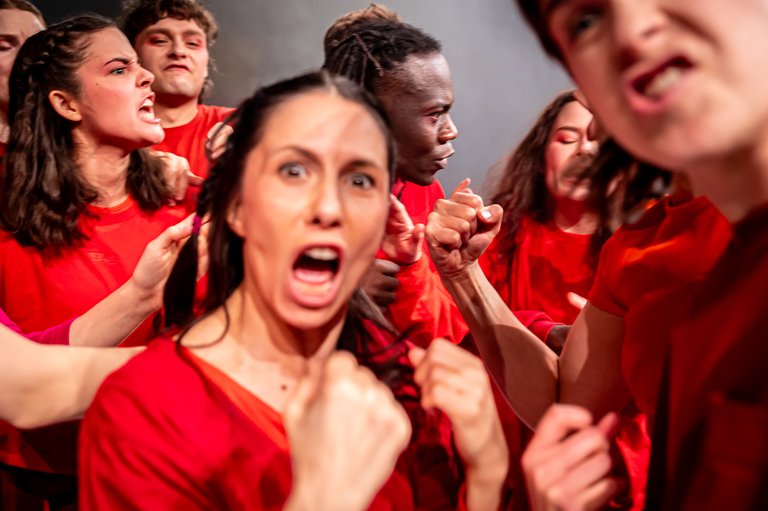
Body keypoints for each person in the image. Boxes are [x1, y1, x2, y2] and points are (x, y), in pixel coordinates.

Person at [79, 70, 509, 511]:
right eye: (294, 171)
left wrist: (485, 479)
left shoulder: (400, 376)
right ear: (237, 208)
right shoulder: (144, 410)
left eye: (359, 180)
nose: (328, 206)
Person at [431, 0, 765, 509]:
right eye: (586, 21)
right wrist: (464, 276)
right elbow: (564, 404)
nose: (632, 32)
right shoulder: (640, 250)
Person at [0, 14, 200, 508]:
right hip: (45, 484)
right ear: (66, 103)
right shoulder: (8, 227)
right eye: (118, 69)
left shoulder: (181, 211)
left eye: (138, 65)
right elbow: (25, 381)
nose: (147, 75)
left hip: (163, 471)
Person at [322, 6, 467, 347]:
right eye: (435, 115)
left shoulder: (426, 193)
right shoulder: (292, 185)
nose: (452, 131)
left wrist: (424, 270)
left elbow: (446, 332)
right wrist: (334, 292)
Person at [119, 0, 235, 179]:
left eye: (193, 43)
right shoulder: (108, 141)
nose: (178, 51)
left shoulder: (243, 124)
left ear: (206, 65)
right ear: (132, 59)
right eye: (159, 41)